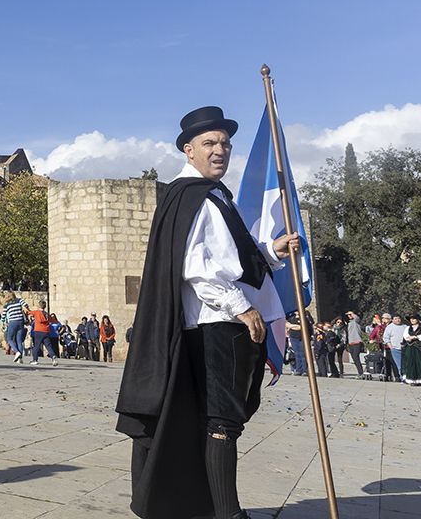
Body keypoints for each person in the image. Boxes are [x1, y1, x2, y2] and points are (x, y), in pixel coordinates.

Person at [116, 106, 297, 519]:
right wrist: (242, 308)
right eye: (210, 143)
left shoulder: (210, 196)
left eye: (226, 143)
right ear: (189, 150)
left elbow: (228, 256)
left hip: (216, 323)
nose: (221, 150)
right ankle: (228, 514)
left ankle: (208, 507)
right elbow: (197, 268)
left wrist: (271, 251)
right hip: (219, 325)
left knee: (215, 420)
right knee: (222, 423)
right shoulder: (196, 196)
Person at [401, 314, 421, 386]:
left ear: (418, 320)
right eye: (411, 319)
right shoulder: (408, 328)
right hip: (410, 348)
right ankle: (413, 380)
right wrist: (409, 338)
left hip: (420, 348)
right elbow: (405, 336)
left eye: (414, 319)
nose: (412, 320)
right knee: (411, 363)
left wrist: (416, 337)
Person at [28, 300, 56, 365]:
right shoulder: (46, 314)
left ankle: (35, 359)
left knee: (36, 346)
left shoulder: (37, 312)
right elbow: (52, 320)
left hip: (38, 331)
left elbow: (29, 312)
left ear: (39, 305)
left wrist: (27, 308)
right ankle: (53, 356)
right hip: (46, 331)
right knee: (48, 346)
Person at [3, 292, 28, 362]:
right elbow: (26, 305)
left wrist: (3, 323)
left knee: (9, 339)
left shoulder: (7, 305)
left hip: (12, 322)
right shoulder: (19, 300)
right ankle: (20, 358)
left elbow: (3, 316)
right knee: (19, 340)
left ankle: (17, 352)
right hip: (20, 322)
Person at [383, 315, 405, 382]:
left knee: (405, 364)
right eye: (395, 319)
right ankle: (401, 377)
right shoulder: (389, 327)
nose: (398, 320)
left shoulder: (405, 327)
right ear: (392, 320)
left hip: (404, 349)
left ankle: (406, 377)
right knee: (398, 365)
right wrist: (391, 346)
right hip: (395, 349)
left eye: (399, 318)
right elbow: (386, 337)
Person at [344, 310, 365, 377]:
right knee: (354, 358)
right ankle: (359, 372)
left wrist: (352, 313)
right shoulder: (349, 323)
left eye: (350, 315)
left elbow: (357, 318)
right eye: (348, 315)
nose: (349, 316)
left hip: (357, 342)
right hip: (351, 343)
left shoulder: (356, 321)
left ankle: (361, 372)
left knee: (356, 357)